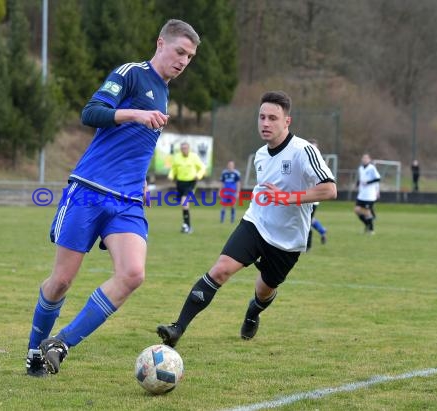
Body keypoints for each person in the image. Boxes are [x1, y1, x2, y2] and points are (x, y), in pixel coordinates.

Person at [25, 19, 201, 377]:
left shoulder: (165, 92)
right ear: (160, 43)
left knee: (133, 274)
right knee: (60, 281)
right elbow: (90, 113)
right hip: (89, 191)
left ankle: (61, 344)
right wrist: (134, 113)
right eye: (180, 51)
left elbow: (134, 150)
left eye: (190, 56)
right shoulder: (132, 74)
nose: (184, 61)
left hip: (127, 201)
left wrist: (142, 183)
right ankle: (34, 352)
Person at [157, 91, 337, 347]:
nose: (265, 123)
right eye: (262, 117)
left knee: (264, 291)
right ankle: (177, 328)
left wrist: (288, 197)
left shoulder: (304, 151)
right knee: (220, 270)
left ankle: (254, 311)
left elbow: (330, 189)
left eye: (273, 118)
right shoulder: (261, 154)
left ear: (287, 121)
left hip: (287, 240)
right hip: (256, 223)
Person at [168, 141, 206, 233]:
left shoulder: (194, 157)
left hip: (191, 182)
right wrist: (171, 175)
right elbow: (173, 169)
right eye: (182, 148)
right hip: (180, 183)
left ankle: (187, 226)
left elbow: (202, 168)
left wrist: (199, 175)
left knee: (184, 202)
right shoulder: (177, 157)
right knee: (183, 205)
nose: (184, 150)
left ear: (189, 149)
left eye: (185, 148)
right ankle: (186, 225)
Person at [306, 140, 328, 250]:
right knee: (308, 219)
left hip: (312, 198)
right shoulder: (303, 159)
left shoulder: (319, 163)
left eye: (315, 148)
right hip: (303, 196)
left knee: (306, 221)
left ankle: (307, 246)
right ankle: (322, 231)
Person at [354, 153, 380, 234]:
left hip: (370, 195)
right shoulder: (361, 168)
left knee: (367, 211)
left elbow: (378, 178)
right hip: (362, 194)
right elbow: (361, 178)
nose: (364, 159)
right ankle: (367, 224)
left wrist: (368, 182)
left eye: (366, 158)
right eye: (363, 158)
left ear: (369, 160)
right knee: (357, 210)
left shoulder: (372, 168)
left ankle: (371, 230)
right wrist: (357, 184)